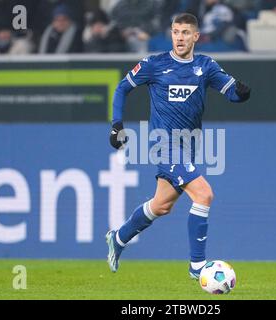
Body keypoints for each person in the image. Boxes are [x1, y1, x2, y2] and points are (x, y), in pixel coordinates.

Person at [106, 13, 251, 279]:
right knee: (204, 195)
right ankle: (197, 267)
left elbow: (231, 92)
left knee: (161, 205)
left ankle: (119, 237)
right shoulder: (154, 64)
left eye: (185, 32)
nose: (180, 37)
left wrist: (241, 93)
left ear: (196, 36)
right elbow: (122, 88)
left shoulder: (205, 66)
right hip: (164, 145)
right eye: (175, 32)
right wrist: (117, 124)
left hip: (190, 146)